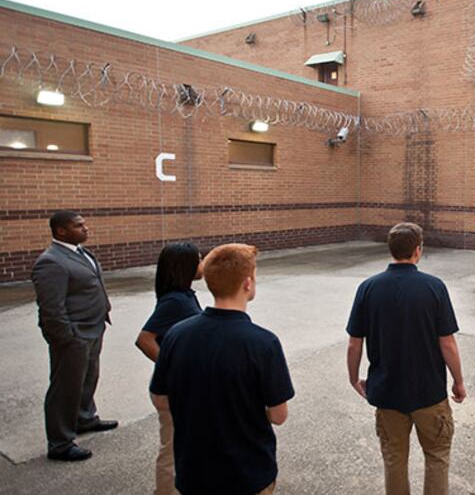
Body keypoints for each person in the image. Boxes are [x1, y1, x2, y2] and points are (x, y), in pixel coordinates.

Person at [151, 243, 294, 495]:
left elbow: (160, 398)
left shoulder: (176, 334)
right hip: (247, 474)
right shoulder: (263, 342)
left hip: (193, 472)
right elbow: (279, 415)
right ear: (248, 284)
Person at [347, 222, 466, 495]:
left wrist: (354, 378)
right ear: (418, 250)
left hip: (388, 393)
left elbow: (355, 343)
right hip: (429, 393)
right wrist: (458, 381)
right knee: (437, 457)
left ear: (390, 249)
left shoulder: (368, 288)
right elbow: (446, 342)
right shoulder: (434, 287)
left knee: (394, 461)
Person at [31, 210, 118, 462]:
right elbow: (51, 307)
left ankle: (84, 418)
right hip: (74, 335)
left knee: (88, 378)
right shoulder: (51, 262)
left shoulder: (79, 252)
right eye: (79, 226)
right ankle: (59, 443)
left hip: (93, 327)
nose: (85, 229)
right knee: (65, 387)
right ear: (61, 231)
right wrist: (67, 337)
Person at [136, 243, 203, 495]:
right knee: (172, 449)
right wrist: (172, 366)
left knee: (181, 445)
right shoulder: (175, 300)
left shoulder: (184, 294)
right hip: (173, 389)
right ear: (184, 267)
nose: (202, 264)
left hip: (181, 388)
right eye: (198, 260)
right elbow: (144, 339)